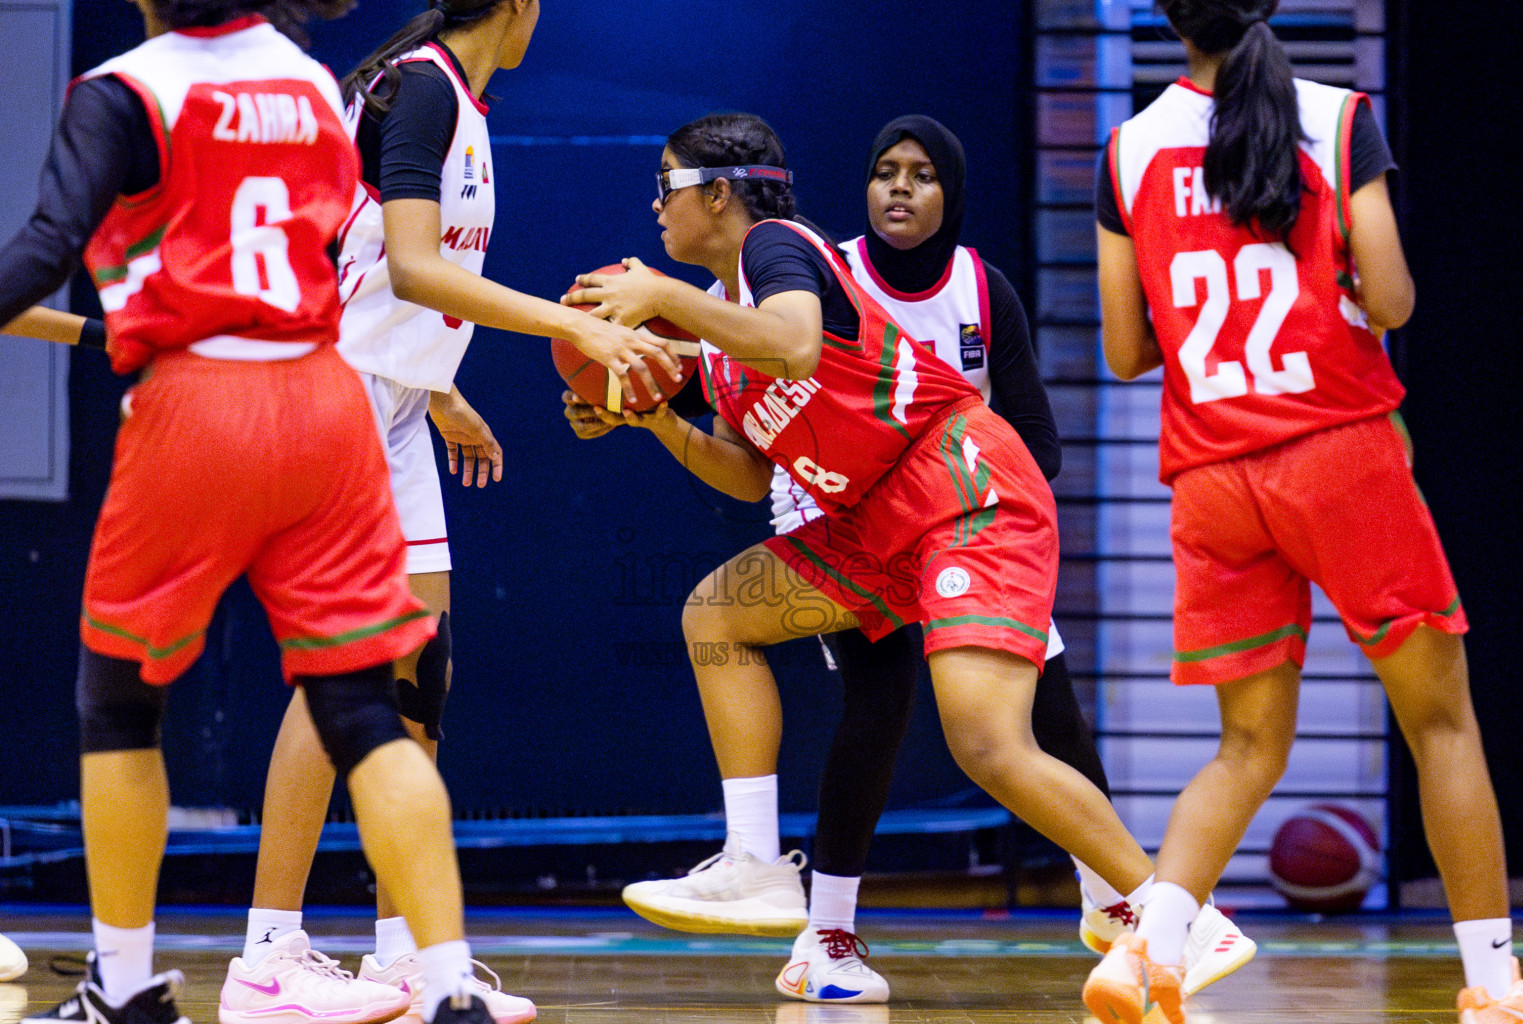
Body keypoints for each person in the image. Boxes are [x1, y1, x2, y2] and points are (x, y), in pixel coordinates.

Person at [568, 114, 1251, 1003]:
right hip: (874, 521)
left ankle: (1178, 918)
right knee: (716, 613)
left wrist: (660, 296)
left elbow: (796, 343)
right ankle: (755, 861)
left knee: (988, 743)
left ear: (720, 193)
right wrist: (657, 417)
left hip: (961, 485)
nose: (656, 208)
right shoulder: (728, 347)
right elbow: (744, 477)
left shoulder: (780, 250)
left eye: (666, 186)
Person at [0, 1, 499, 1023]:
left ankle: (128, 986)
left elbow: (47, 247)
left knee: (121, 705)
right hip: (324, 400)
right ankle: (447, 986)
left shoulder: (125, 90)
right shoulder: (318, 83)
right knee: (372, 704)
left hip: (196, 403)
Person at [225, 3, 675, 1023]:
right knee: (346, 672)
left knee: (420, 667)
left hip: (390, 402)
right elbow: (418, 268)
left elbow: (377, 269)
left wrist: (437, 386)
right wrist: (571, 325)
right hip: (333, 398)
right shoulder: (422, 88)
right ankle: (267, 954)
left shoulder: (449, 96)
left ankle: (403, 953)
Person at [1079, 4, 1523, 1024]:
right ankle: (1496, 989)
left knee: (1245, 749)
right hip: (1336, 455)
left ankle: (1149, 943)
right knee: (1442, 720)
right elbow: (1397, 299)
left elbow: (1124, 349)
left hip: (1212, 479)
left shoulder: (1127, 149)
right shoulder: (1333, 116)